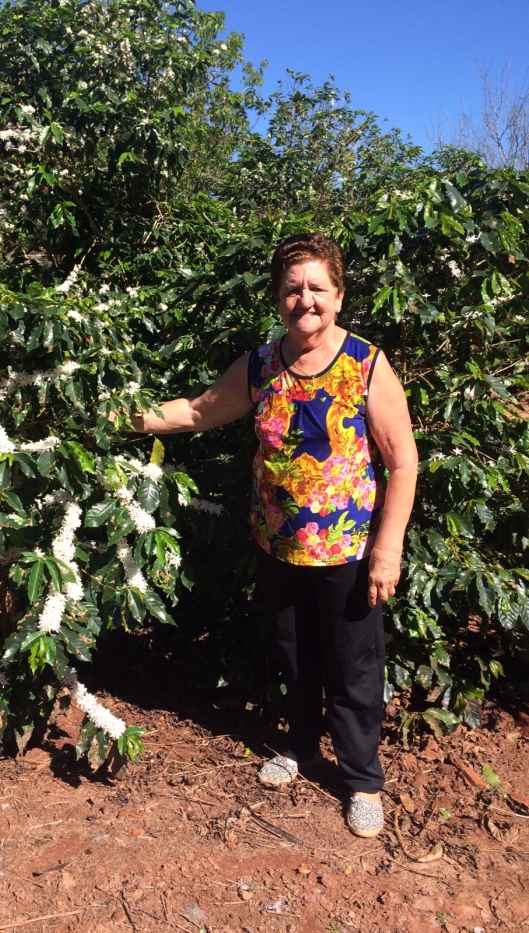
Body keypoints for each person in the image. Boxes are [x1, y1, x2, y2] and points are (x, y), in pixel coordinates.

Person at [130, 233, 418, 837]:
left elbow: (402, 462)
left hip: (348, 551)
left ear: (338, 296)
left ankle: (362, 779)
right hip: (279, 543)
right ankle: (303, 747)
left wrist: (387, 550)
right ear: (277, 297)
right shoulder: (261, 364)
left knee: (354, 667)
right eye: (293, 289)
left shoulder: (366, 364)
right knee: (293, 655)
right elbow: (199, 410)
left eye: (317, 288)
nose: (304, 299)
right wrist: (121, 415)